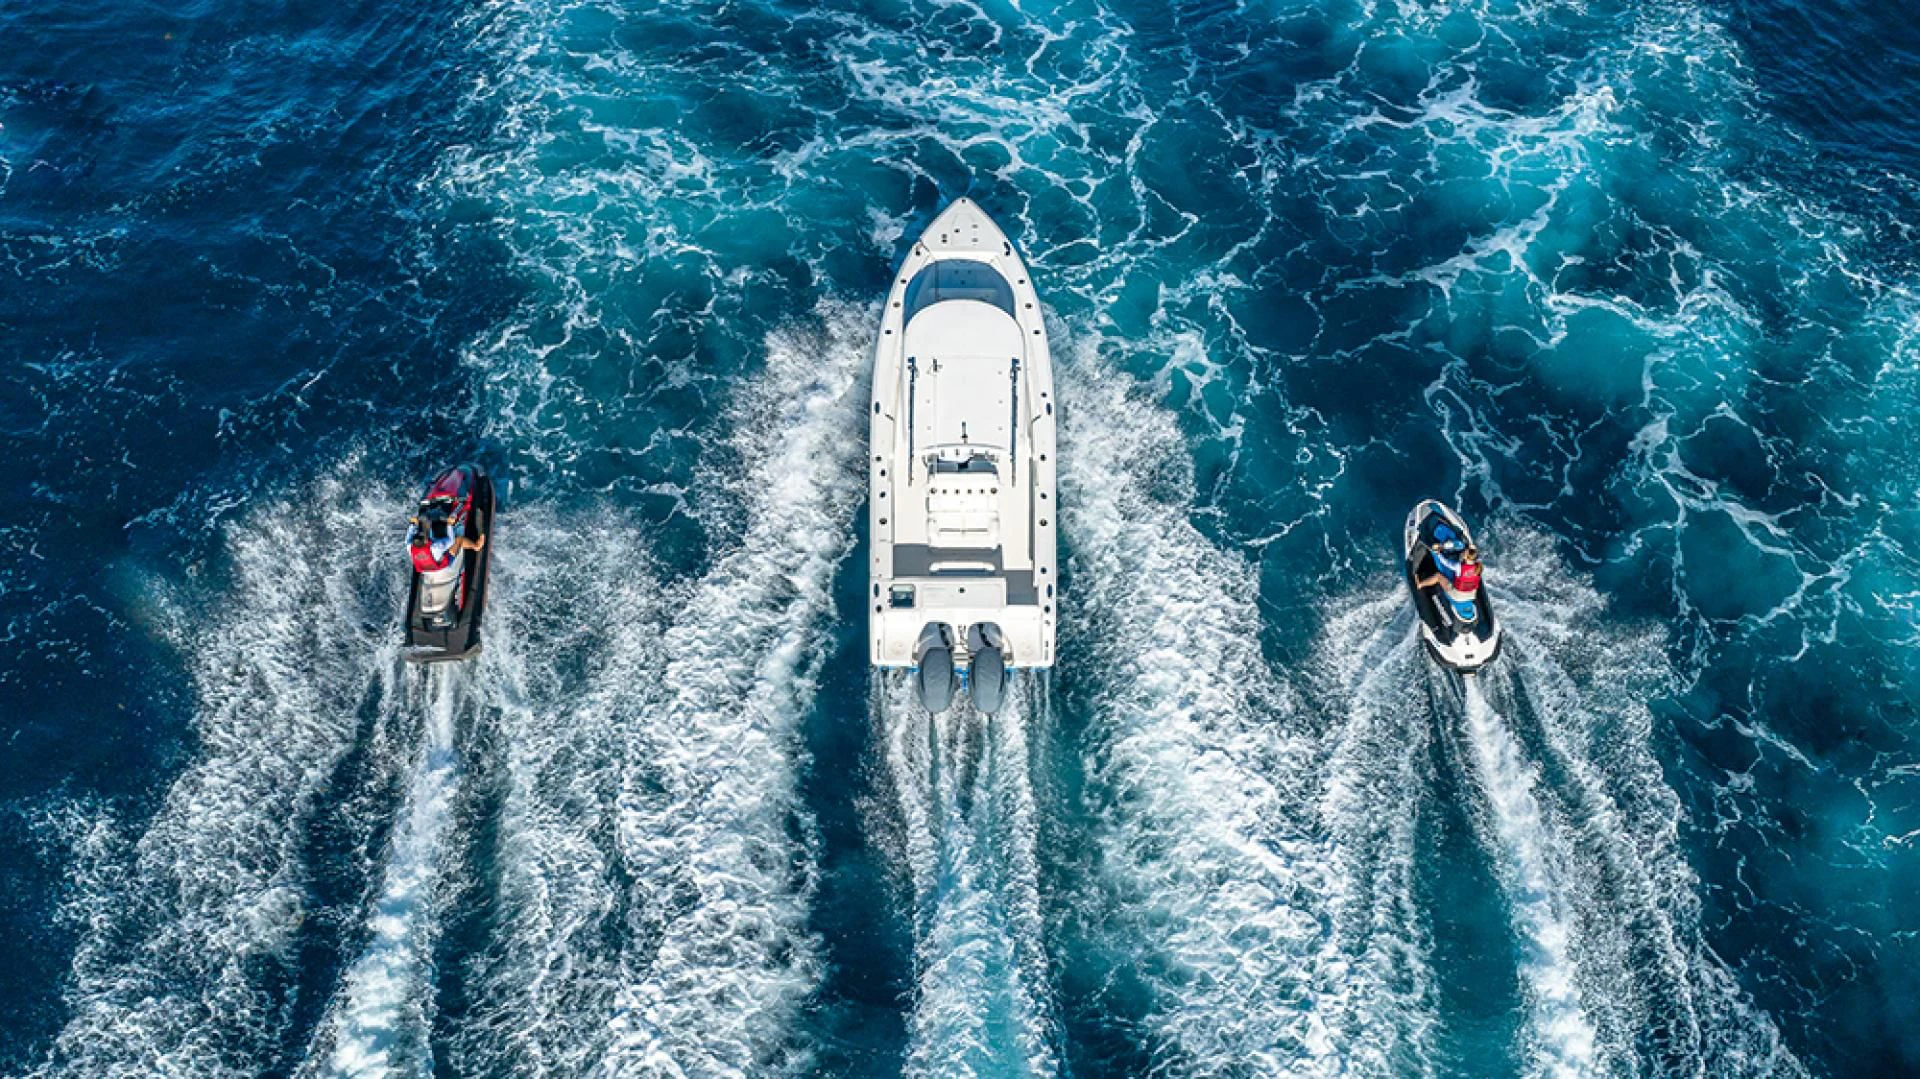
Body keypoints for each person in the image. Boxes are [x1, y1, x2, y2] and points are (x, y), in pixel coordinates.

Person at [1416, 544, 1483, 621]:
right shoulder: (1479, 567)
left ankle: (1420, 584)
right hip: (1471, 596)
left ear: (1466, 556)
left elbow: (1446, 563)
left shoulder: (1459, 566)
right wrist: (1472, 549)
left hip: (1458, 595)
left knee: (1438, 576)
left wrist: (1438, 553)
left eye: (1465, 552)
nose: (1464, 552)